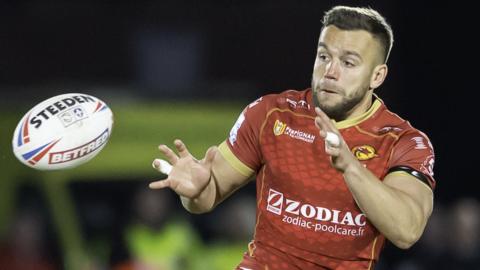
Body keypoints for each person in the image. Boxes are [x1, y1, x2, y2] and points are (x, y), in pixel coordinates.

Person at [149, 5, 436, 270]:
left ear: (377, 76)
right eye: (324, 56)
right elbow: (205, 199)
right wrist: (198, 190)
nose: (330, 72)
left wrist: (351, 168)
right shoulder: (270, 114)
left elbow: (407, 230)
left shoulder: (403, 142)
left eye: (348, 63)